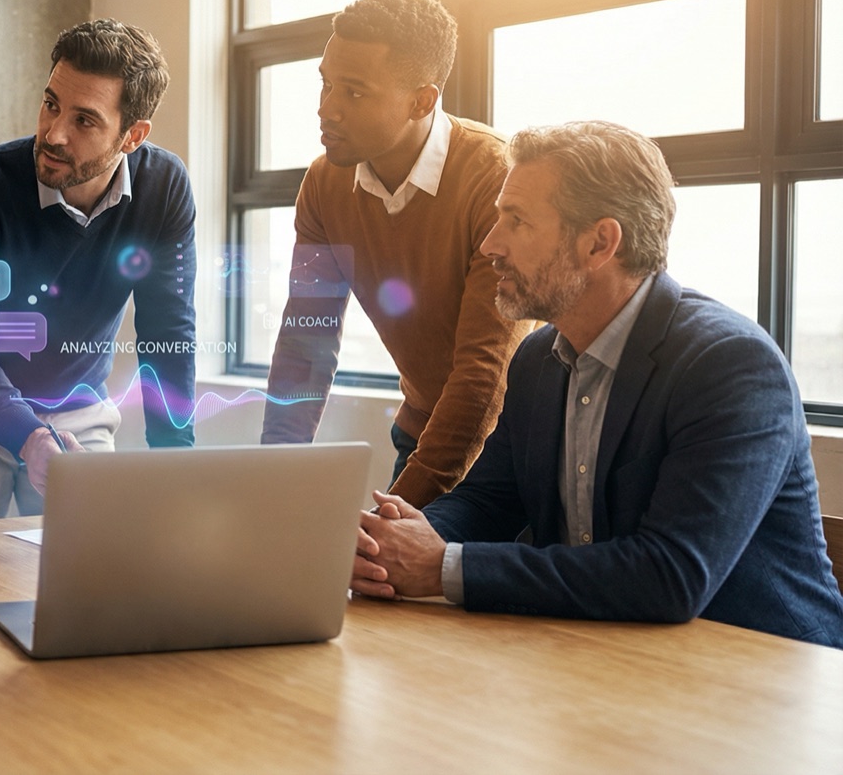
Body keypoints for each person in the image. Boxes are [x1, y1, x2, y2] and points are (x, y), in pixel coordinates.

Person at [351, 120, 843, 648]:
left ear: (600, 243)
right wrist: (394, 539)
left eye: (516, 221)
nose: (491, 243)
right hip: (611, 652)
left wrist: (444, 566)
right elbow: (490, 500)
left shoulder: (731, 365)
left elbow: (669, 575)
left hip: (772, 679)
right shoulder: (538, 358)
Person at [0, 19, 196, 521]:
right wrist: (26, 435)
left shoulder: (165, 189)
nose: (54, 133)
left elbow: (167, 328)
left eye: (85, 120)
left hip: (80, 407)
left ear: (132, 135)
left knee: (78, 568)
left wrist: (174, 466)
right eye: (51, 104)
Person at [263, 0, 529, 508]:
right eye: (326, 84)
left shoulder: (493, 177)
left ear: (421, 101)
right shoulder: (323, 184)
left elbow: (483, 376)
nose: (326, 109)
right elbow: (306, 343)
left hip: (514, 445)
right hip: (422, 429)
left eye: (354, 93)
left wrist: (383, 521)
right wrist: (275, 476)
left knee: (382, 567)